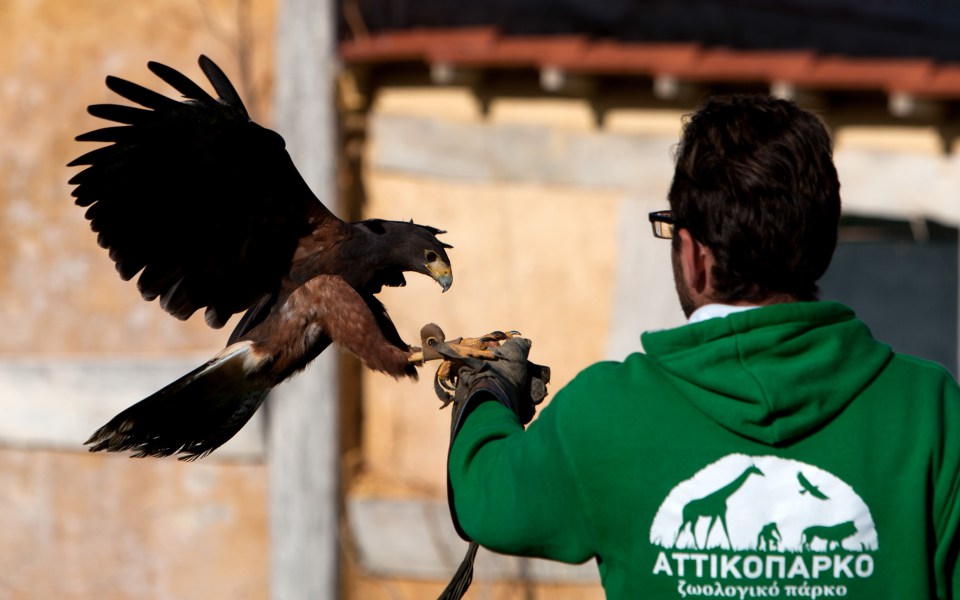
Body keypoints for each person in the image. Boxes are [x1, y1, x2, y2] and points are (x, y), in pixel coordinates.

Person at [441, 95, 960, 599]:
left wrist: (489, 391)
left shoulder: (608, 413)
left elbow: (483, 498)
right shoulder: (932, 410)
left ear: (694, 257)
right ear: (822, 246)